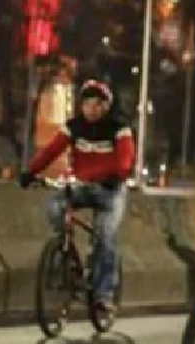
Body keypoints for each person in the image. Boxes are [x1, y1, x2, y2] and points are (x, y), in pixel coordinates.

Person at [19, 79, 134, 315]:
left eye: (98, 104)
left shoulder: (119, 128)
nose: (92, 109)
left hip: (109, 191)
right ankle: (65, 255)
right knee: (55, 205)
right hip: (81, 185)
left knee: (106, 235)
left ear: (106, 106)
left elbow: (125, 161)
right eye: (88, 103)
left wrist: (115, 175)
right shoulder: (74, 127)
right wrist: (31, 172)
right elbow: (51, 150)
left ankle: (104, 294)